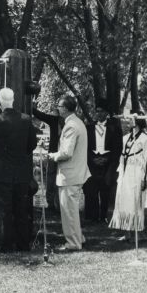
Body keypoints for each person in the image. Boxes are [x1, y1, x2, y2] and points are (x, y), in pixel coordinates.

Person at [0, 88, 37, 252]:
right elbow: (32, 145)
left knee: (5, 210)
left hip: (2, 172)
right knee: (21, 209)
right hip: (22, 172)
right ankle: (23, 244)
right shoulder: (26, 119)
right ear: (13, 100)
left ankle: (7, 245)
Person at [49, 95, 91, 251]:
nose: (57, 108)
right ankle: (79, 237)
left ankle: (73, 243)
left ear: (65, 108)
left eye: (59, 106)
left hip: (70, 174)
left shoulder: (71, 126)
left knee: (68, 211)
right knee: (71, 210)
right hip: (76, 173)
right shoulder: (77, 122)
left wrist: (53, 155)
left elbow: (66, 152)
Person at [109, 113, 147, 241]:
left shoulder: (145, 138)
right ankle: (126, 232)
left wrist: (145, 178)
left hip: (137, 173)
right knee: (123, 201)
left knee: (135, 202)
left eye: (131, 119)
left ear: (138, 121)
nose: (128, 121)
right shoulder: (126, 137)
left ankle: (138, 233)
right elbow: (122, 156)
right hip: (125, 173)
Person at [84, 98, 123, 224]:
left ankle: (103, 216)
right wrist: (92, 159)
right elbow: (85, 147)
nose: (99, 114)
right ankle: (92, 216)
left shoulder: (115, 128)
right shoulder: (89, 128)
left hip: (108, 163)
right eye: (97, 111)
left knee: (105, 190)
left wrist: (107, 160)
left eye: (101, 111)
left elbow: (118, 149)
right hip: (92, 162)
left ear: (107, 113)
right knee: (91, 189)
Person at [32, 103, 64, 211]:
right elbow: (40, 115)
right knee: (50, 179)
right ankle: (51, 205)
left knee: (60, 180)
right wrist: (31, 105)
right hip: (53, 153)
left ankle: (60, 205)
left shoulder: (68, 122)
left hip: (64, 155)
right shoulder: (53, 120)